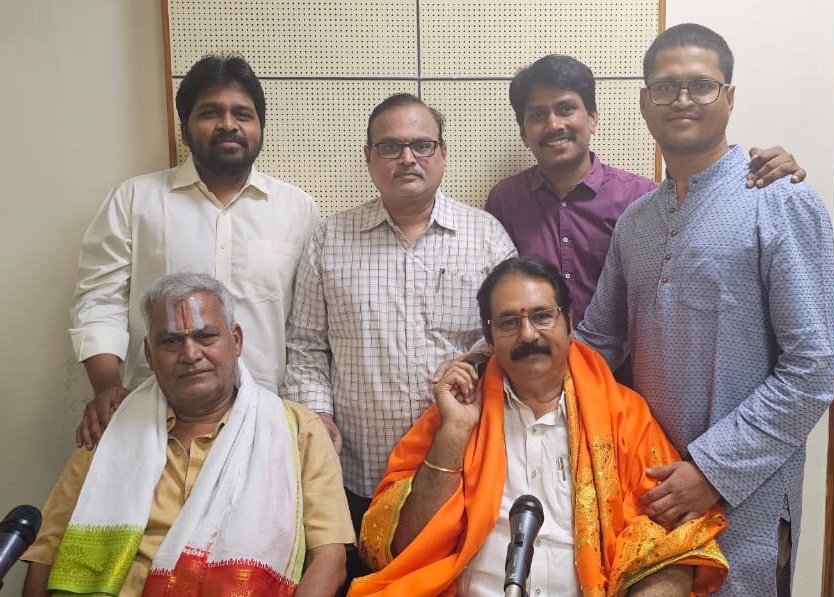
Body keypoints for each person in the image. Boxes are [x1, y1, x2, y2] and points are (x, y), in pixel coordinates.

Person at [576, 24, 834, 596]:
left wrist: (712, 470)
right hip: (653, 487)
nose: (682, 99)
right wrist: (494, 360)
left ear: (730, 96)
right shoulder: (637, 221)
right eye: (665, 87)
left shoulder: (781, 199)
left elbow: (813, 369)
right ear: (645, 103)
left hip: (746, 494)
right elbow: (596, 341)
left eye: (700, 84)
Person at [350, 257, 729, 596]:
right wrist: (453, 435)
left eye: (542, 316)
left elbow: (678, 544)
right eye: (509, 322)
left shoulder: (624, 417)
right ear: (489, 336)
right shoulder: (457, 412)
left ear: (568, 319)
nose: (528, 334)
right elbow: (399, 547)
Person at [284, 93, 516, 573]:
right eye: (389, 147)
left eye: (422, 145)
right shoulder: (329, 239)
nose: (407, 158)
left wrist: (471, 365)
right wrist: (317, 415)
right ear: (369, 158)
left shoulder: (487, 236)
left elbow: (511, 338)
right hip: (358, 473)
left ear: (443, 153)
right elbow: (305, 345)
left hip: (461, 466)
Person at [23, 273, 354, 596]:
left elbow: (330, 558)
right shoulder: (111, 428)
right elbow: (46, 550)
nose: (190, 354)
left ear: (236, 341)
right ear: (149, 355)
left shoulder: (296, 430)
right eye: (171, 341)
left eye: (206, 336)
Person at [72, 54, 318, 449]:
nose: (228, 124)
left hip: (266, 417)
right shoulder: (136, 200)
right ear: (185, 130)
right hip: (154, 415)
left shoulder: (298, 210)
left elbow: (309, 326)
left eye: (243, 113)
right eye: (210, 113)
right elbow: (99, 299)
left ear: (260, 128)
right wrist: (106, 388)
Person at [486, 53, 806, 322]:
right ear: (525, 134)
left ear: (593, 118)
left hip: (630, 381)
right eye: (539, 115)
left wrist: (769, 173)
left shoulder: (641, 198)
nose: (555, 124)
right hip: (537, 375)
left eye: (566, 109)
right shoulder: (505, 201)